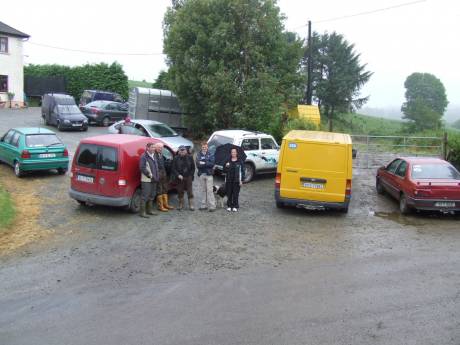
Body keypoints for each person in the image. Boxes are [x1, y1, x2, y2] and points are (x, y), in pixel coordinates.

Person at [172, 145, 196, 211]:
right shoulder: (176, 158)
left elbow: (193, 168)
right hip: (179, 178)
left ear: (186, 151)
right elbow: (173, 169)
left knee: (190, 191)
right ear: (179, 151)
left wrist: (191, 175)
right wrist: (178, 175)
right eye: (181, 150)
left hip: (188, 177)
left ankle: (191, 205)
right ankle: (181, 204)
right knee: (180, 191)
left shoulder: (190, 157)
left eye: (183, 150)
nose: (182, 151)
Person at [139, 142, 159, 218]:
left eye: (154, 147)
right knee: (145, 196)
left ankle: (149, 210)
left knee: (152, 195)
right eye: (152, 147)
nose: (154, 149)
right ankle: (142, 212)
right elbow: (142, 167)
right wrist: (149, 175)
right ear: (147, 148)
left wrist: (157, 176)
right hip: (146, 179)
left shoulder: (154, 155)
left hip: (154, 179)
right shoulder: (144, 156)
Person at [196, 142, 216, 212]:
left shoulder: (211, 154)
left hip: (209, 175)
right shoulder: (198, 154)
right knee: (203, 190)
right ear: (201, 147)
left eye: (205, 147)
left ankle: (212, 206)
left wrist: (204, 162)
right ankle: (203, 205)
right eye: (203, 147)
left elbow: (212, 164)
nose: (204, 148)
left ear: (207, 147)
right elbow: (198, 164)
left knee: (210, 190)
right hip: (201, 174)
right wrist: (207, 163)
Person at [154, 142, 174, 212]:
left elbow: (164, 164)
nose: (160, 149)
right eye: (159, 147)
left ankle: (165, 204)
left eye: (161, 148)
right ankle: (160, 206)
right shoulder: (154, 155)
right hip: (158, 174)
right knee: (159, 190)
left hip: (163, 174)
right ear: (155, 148)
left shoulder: (161, 155)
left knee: (165, 188)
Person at [224, 148, 245, 212]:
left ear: (236, 153)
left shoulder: (240, 161)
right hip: (229, 180)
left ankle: (235, 206)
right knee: (229, 193)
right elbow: (224, 170)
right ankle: (229, 206)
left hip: (236, 180)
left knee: (235, 194)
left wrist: (241, 180)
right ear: (231, 153)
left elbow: (242, 171)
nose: (233, 153)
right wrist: (226, 166)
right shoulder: (227, 160)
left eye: (234, 152)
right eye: (232, 152)